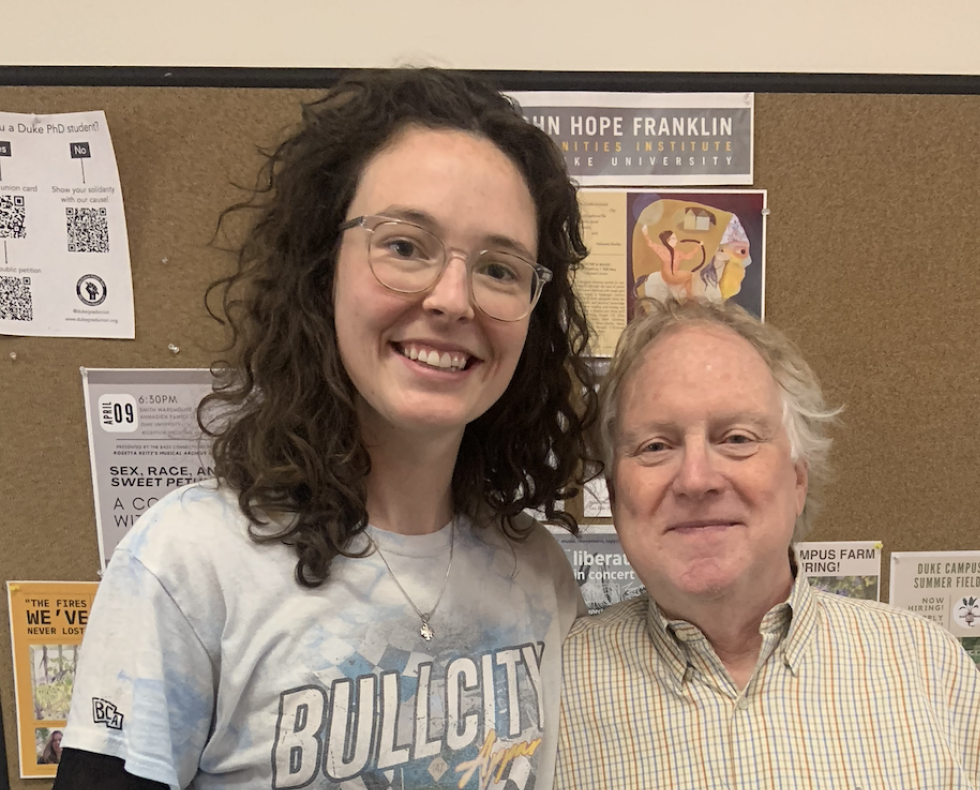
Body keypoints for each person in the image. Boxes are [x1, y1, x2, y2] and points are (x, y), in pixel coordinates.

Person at [55, 68, 597, 790]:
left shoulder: (539, 577)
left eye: (499, 268)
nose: (452, 299)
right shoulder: (187, 567)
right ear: (322, 272)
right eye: (405, 246)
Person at [556, 300, 980, 789]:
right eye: (655, 446)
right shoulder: (548, 690)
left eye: (736, 437)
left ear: (798, 480)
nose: (696, 479)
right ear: (614, 491)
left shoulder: (931, 668)